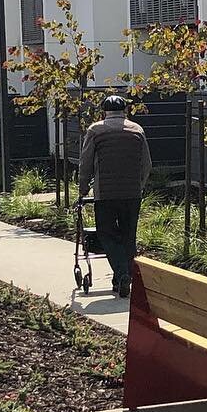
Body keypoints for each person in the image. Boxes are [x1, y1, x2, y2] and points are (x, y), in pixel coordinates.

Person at [77, 94, 151, 298]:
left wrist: (83, 188)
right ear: (125, 110)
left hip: (106, 194)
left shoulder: (95, 130)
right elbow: (146, 164)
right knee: (128, 237)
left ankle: (122, 273)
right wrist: (139, 185)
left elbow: (86, 163)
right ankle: (121, 279)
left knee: (106, 234)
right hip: (132, 194)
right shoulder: (137, 130)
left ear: (104, 111)